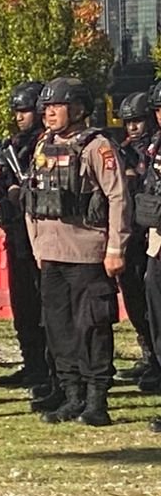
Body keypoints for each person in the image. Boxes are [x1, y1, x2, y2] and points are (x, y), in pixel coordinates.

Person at [24, 77, 129, 426]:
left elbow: (118, 197)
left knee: (93, 327)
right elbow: (32, 198)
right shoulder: (43, 145)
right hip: (51, 254)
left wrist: (115, 247)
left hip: (88, 254)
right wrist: (37, 245)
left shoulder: (97, 146)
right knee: (59, 329)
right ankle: (72, 396)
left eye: (57, 105)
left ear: (79, 108)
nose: (49, 112)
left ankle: (97, 401)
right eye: (46, 107)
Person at [0, 82, 50, 400]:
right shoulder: (13, 146)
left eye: (24, 110)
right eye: (17, 111)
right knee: (22, 303)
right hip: (16, 232)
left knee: (43, 303)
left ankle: (49, 367)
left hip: (41, 235)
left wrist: (21, 191)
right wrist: (5, 190)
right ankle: (32, 362)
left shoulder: (46, 144)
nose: (19, 117)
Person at [117, 90, 156, 388]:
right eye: (128, 122)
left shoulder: (153, 150)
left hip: (151, 233)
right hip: (131, 233)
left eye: (138, 121)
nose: (132, 127)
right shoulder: (123, 151)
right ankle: (148, 354)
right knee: (133, 295)